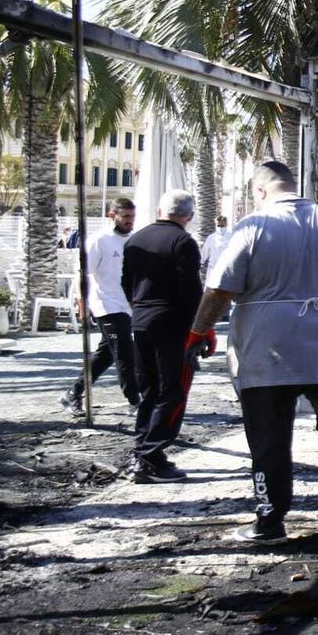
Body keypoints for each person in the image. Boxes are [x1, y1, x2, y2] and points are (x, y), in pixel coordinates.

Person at [191, 161, 318, 544]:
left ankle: (270, 518)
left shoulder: (252, 226)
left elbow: (219, 290)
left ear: (260, 190)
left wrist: (197, 332)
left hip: (269, 344)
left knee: (269, 432)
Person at [120, 190, 204, 483]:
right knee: (172, 391)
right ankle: (151, 456)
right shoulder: (183, 242)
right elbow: (191, 291)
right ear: (189, 216)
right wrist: (200, 329)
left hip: (141, 320)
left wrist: (141, 307)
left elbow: (126, 283)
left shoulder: (136, 239)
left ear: (159, 210)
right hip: (173, 324)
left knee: (151, 391)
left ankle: (142, 448)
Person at [60, 198, 139, 414]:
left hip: (127, 305)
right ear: (112, 216)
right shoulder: (98, 240)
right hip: (106, 304)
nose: (130, 221)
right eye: (126, 217)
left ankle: (72, 393)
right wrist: (81, 301)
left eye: (133, 217)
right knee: (124, 353)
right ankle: (135, 400)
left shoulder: (134, 240)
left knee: (105, 354)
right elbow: (82, 273)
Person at [200, 215, 231, 281]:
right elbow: (204, 253)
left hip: (227, 270)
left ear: (226, 225)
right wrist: (200, 263)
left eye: (222, 226)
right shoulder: (211, 238)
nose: (220, 228)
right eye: (218, 226)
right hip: (213, 269)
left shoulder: (232, 237)